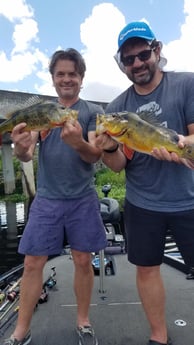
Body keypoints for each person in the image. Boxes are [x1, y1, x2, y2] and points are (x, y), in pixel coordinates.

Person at [95, 21, 194, 345]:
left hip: (189, 199)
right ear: (122, 64)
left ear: (157, 50)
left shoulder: (186, 84)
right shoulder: (115, 110)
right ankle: (159, 336)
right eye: (128, 59)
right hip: (142, 204)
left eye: (142, 54)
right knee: (147, 269)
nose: (137, 63)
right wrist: (109, 148)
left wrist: (181, 143)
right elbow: (119, 164)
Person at [3, 48, 107, 345]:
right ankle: (21, 331)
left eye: (72, 74)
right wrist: (20, 147)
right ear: (52, 79)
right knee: (33, 263)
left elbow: (94, 155)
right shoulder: (45, 112)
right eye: (60, 74)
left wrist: (77, 143)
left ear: (81, 78)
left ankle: (83, 322)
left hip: (82, 198)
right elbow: (26, 152)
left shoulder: (91, 112)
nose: (66, 79)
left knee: (83, 260)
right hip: (47, 199)